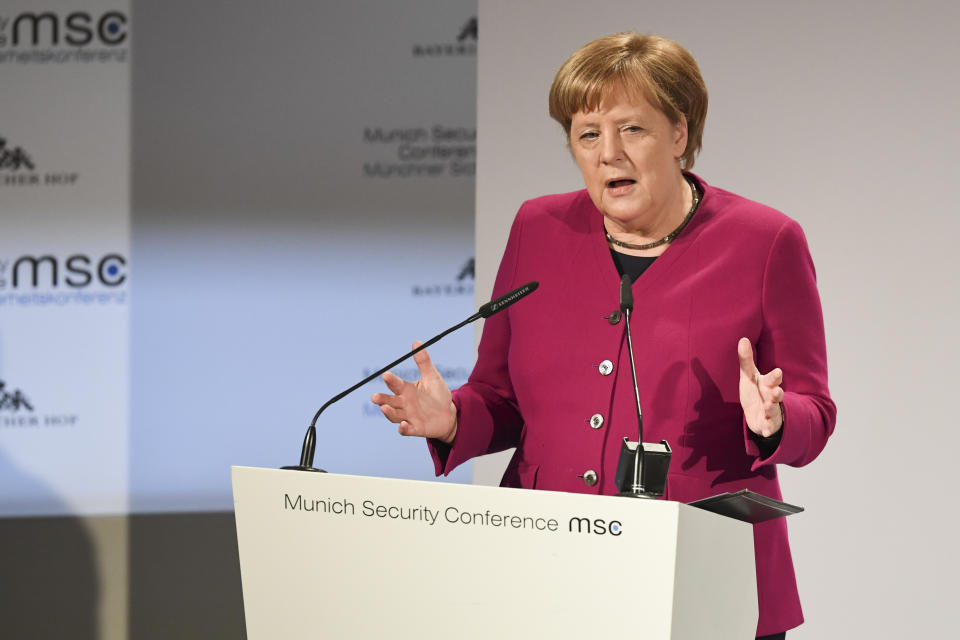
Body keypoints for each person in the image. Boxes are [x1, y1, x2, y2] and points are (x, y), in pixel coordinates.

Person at [371, 32, 835, 639]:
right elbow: (502, 398)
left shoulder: (766, 241)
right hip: (545, 570)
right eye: (588, 134)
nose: (608, 153)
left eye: (631, 129)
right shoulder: (538, 228)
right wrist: (454, 419)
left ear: (678, 133)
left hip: (700, 573)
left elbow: (815, 414)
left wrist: (771, 420)